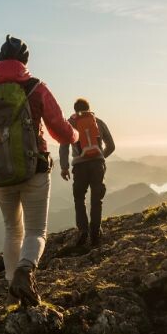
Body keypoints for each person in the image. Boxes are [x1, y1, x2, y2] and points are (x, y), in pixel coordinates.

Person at [0, 35, 78, 306]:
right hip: (35, 171)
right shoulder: (36, 89)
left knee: (12, 230)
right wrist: (75, 135)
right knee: (36, 231)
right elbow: (61, 130)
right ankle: (25, 270)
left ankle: (13, 292)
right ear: (25, 61)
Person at [59, 98, 115, 247]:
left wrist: (64, 167)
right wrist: (100, 156)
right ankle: (95, 233)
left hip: (80, 167)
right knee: (97, 199)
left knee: (79, 198)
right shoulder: (98, 122)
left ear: (75, 110)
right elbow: (111, 145)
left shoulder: (70, 124)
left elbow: (64, 146)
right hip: (98, 166)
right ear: (89, 108)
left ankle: (83, 230)